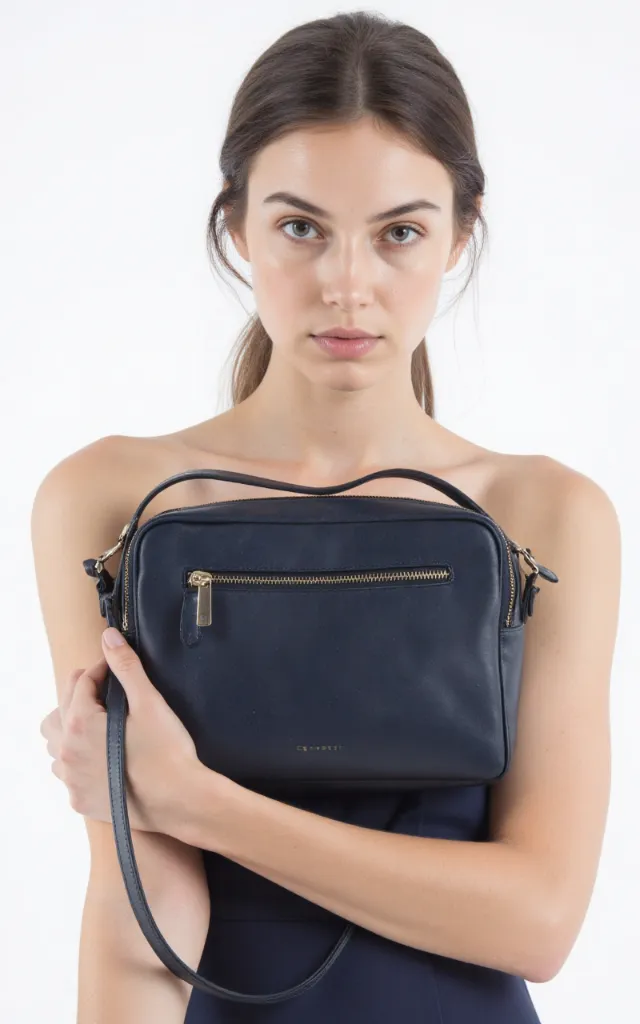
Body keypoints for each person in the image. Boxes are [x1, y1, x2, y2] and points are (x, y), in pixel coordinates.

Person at [31, 10, 621, 1023]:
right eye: (301, 227)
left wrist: (198, 800)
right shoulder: (115, 499)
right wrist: (158, 811)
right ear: (236, 226)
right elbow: (141, 899)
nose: (347, 286)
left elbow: (539, 919)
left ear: (459, 235)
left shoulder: (546, 513)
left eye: (399, 232)